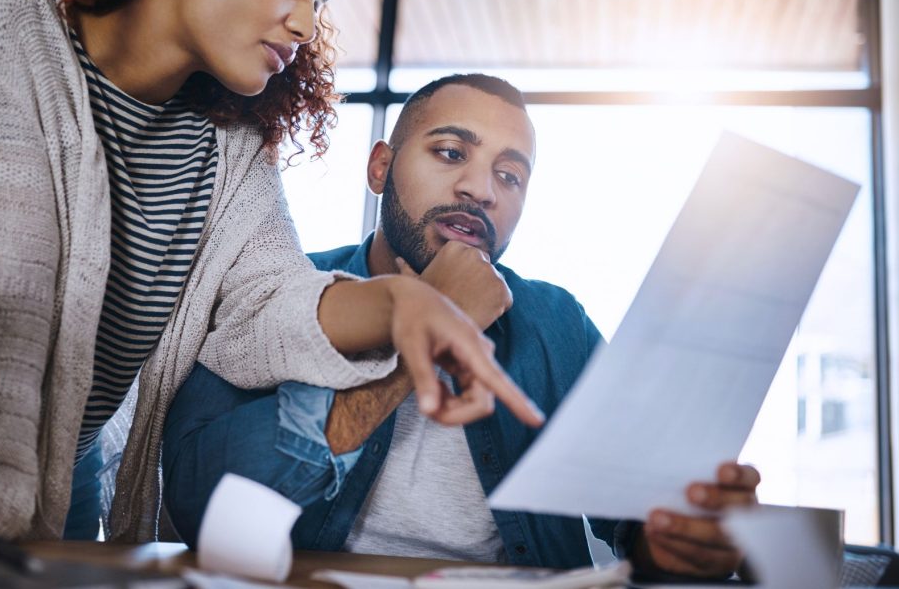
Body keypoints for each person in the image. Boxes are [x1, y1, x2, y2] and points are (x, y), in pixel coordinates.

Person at [0, 0, 543, 545]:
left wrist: (400, 301)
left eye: (320, 2)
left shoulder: (228, 143)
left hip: (62, 482)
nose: (306, 24)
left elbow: (271, 297)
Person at [162, 74, 761, 579]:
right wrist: (420, 326)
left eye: (510, 176)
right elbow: (200, 507)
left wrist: (683, 541)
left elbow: (638, 527)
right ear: (380, 169)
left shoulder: (557, 325)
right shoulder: (278, 288)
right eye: (451, 153)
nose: (481, 190)